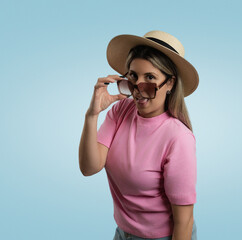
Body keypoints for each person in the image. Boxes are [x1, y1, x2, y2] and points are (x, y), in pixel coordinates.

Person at [79, 30, 199, 240]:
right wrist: (92, 114)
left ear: (169, 83)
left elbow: (184, 221)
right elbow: (89, 167)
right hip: (123, 233)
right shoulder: (121, 111)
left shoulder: (178, 138)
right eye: (133, 77)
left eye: (150, 78)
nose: (137, 90)